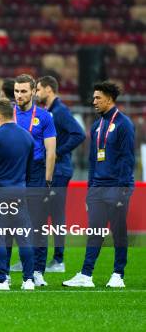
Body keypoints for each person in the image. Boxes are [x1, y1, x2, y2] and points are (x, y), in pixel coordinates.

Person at [64, 81, 135, 288]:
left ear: (110, 99)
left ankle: (118, 274)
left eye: (98, 98)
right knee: (94, 232)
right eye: (93, 98)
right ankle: (86, 275)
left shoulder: (124, 124)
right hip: (98, 187)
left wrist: (123, 191)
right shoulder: (96, 126)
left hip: (117, 187)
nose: (93, 101)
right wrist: (90, 191)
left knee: (119, 232)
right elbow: (94, 161)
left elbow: (127, 160)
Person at [0, 98, 35, 291]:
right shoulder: (27, 137)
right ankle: (29, 280)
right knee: (23, 237)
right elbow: (30, 169)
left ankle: (2, 280)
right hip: (19, 192)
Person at [8, 74, 56, 287]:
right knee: (9, 225)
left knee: (37, 225)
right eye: (16, 91)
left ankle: (37, 271)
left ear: (34, 92)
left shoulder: (45, 117)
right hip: (13, 173)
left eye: (23, 91)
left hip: (36, 173)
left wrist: (47, 181)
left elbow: (51, 151)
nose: (19, 95)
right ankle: (4, 273)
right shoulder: (7, 114)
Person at [36, 76, 86, 273]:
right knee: (49, 213)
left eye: (39, 89)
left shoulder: (60, 111)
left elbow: (79, 133)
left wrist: (58, 152)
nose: (37, 93)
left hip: (60, 169)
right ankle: (54, 258)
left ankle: (58, 260)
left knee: (55, 214)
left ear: (49, 89)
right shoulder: (51, 111)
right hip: (55, 169)